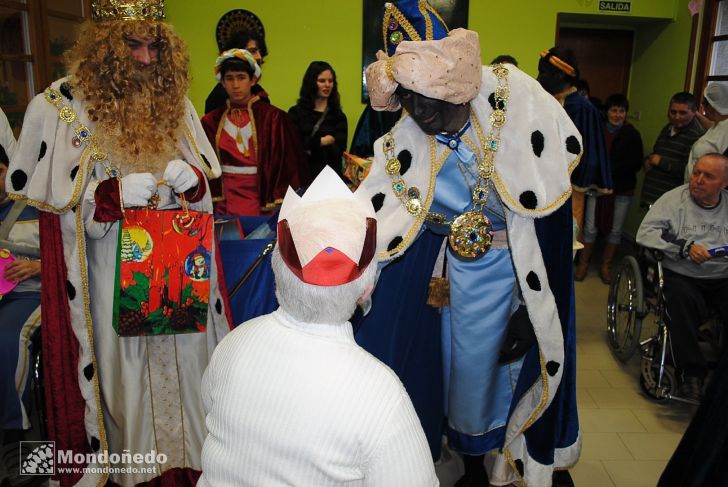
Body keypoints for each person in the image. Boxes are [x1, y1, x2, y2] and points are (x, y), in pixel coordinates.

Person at [6, 1, 231, 485]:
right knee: (127, 397)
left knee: (193, 386)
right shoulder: (61, 109)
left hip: (178, 278)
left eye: (156, 46)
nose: (148, 60)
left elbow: (206, 201)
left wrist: (193, 184)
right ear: (105, 47)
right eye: (133, 46)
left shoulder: (178, 105)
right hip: (111, 283)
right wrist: (106, 198)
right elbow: (57, 218)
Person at [361, 1, 581, 485]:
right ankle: (462, 457)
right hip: (450, 276)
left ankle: (501, 458)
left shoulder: (517, 103)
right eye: (408, 98)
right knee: (453, 375)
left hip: (514, 272)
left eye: (430, 97)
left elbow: (551, 214)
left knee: (498, 379)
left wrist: (533, 307)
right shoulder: (407, 134)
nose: (419, 113)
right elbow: (373, 213)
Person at [198, 166, 438, 487]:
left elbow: (209, 411)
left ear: (276, 271)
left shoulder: (232, 344)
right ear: (366, 290)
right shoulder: (380, 395)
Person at [636, 153, 728, 403]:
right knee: (679, 301)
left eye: (708, 176)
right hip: (682, 274)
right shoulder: (674, 200)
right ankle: (691, 374)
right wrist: (684, 246)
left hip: (721, 277)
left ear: (724, 183)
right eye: (696, 172)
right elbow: (645, 234)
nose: (697, 180)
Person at [201, 49, 307, 215]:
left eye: (241, 77)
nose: (235, 85)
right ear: (222, 82)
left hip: (262, 204)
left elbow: (288, 169)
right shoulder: (209, 122)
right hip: (223, 207)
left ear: (253, 80)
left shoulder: (274, 119)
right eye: (229, 78)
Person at [537, 47, 612, 241]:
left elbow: (588, 153)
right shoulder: (541, 102)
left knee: (564, 236)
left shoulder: (582, 109)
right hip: (540, 183)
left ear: (561, 76)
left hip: (569, 186)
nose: (539, 78)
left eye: (544, 73)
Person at [1, 107, 41, 438]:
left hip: (34, 293)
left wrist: (38, 266)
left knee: (7, 339)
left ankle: (16, 429)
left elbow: (75, 256)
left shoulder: (40, 206)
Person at [577, 94, 643, 283]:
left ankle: (606, 267)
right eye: (614, 110)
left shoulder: (632, 134)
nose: (617, 114)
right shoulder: (596, 132)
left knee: (615, 230)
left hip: (621, 190)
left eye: (621, 111)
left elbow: (635, 162)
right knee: (589, 229)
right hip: (596, 187)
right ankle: (583, 264)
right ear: (607, 112)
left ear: (626, 114)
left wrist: (611, 174)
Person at [641, 91, 705, 206]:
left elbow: (691, 171)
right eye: (673, 112)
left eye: (683, 113)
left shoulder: (697, 135)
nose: (677, 117)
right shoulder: (668, 127)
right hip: (653, 196)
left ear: (694, 111)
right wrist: (647, 160)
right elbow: (657, 152)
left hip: (671, 200)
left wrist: (661, 162)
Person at [288, 61, 348, 179]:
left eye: (330, 81)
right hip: (302, 178)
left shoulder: (338, 116)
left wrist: (309, 143)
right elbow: (292, 145)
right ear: (311, 83)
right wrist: (322, 141)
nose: (327, 85)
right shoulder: (296, 113)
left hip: (329, 179)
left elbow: (338, 152)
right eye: (322, 81)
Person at [204, 29, 269, 113]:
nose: (259, 57)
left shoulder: (260, 93)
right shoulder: (219, 98)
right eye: (252, 51)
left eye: (260, 52)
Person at [685, 82, 728, 180]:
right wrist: (695, 113)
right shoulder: (718, 124)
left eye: (704, 103)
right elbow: (714, 128)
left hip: (705, 188)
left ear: (712, 106)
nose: (702, 107)